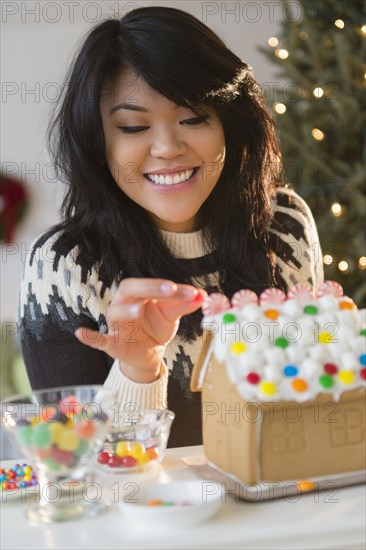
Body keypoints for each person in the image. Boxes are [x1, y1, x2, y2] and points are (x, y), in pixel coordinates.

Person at [18, 6, 324, 447]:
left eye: (194, 118)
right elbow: (74, 467)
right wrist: (138, 371)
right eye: (133, 126)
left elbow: (313, 415)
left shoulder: (284, 226)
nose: (167, 148)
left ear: (229, 125)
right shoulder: (63, 267)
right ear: (98, 142)